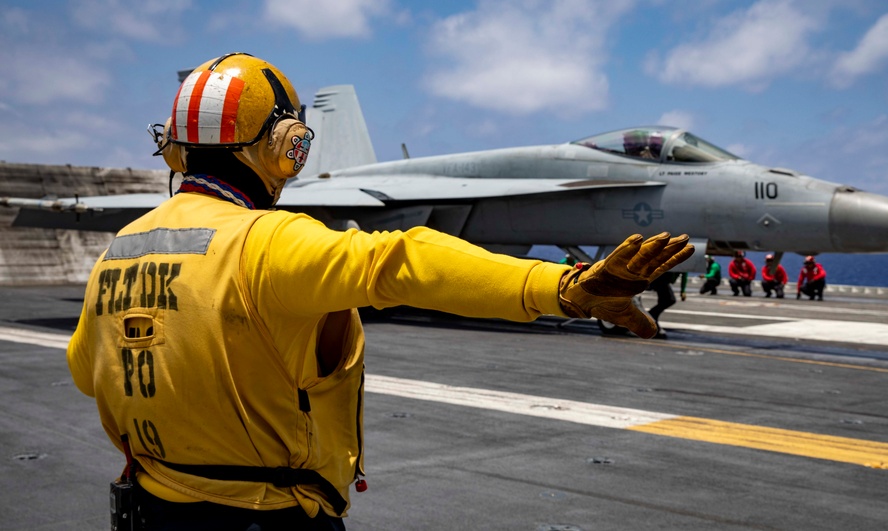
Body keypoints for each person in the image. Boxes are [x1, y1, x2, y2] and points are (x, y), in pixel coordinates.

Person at [65, 53, 694, 530]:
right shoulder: (270, 241)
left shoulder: (119, 249)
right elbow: (401, 260)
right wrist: (567, 286)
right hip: (265, 512)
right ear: (286, 147)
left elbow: (86, 372)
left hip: (151, 505)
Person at [648, 271, 687, 338]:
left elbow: (684, 274)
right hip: (660, 279)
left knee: (666, 301)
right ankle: (650, 316)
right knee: (669, 300)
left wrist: (683, 290)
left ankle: (652, 317)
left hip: (663, 280)